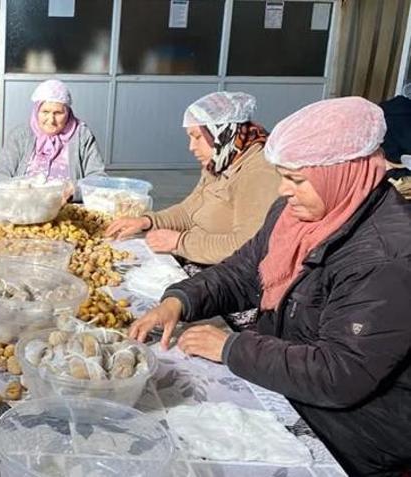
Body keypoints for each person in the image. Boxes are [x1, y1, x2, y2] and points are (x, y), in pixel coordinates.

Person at [130, 97, 411, 476]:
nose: (281, 190)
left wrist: (231, 347)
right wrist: (181, 299)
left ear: (343, 172)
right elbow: (246, 271)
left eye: (295, 179)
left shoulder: (388, 256)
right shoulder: (303, 211)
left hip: (351, 427)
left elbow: (340, 372)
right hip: (288, 376)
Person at [105, 92, 279, 265]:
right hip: (193, 254)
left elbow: (247, 245)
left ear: (221, 133)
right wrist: (147, 221)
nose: (191, 147)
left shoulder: (259, 172)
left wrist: (180, 242)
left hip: (222, 273)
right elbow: (188, 211)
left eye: (197, 137)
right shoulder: (219, 162)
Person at [0, 79, 106, 196]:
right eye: (45, 112)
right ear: (36, 111)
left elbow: (98, 179)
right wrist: (18, 191)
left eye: (58, 113)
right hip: (24, 208)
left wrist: (72, 190)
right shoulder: (20, 136)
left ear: (68, 113)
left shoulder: (82, 136)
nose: (51, 120)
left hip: (68, 208)